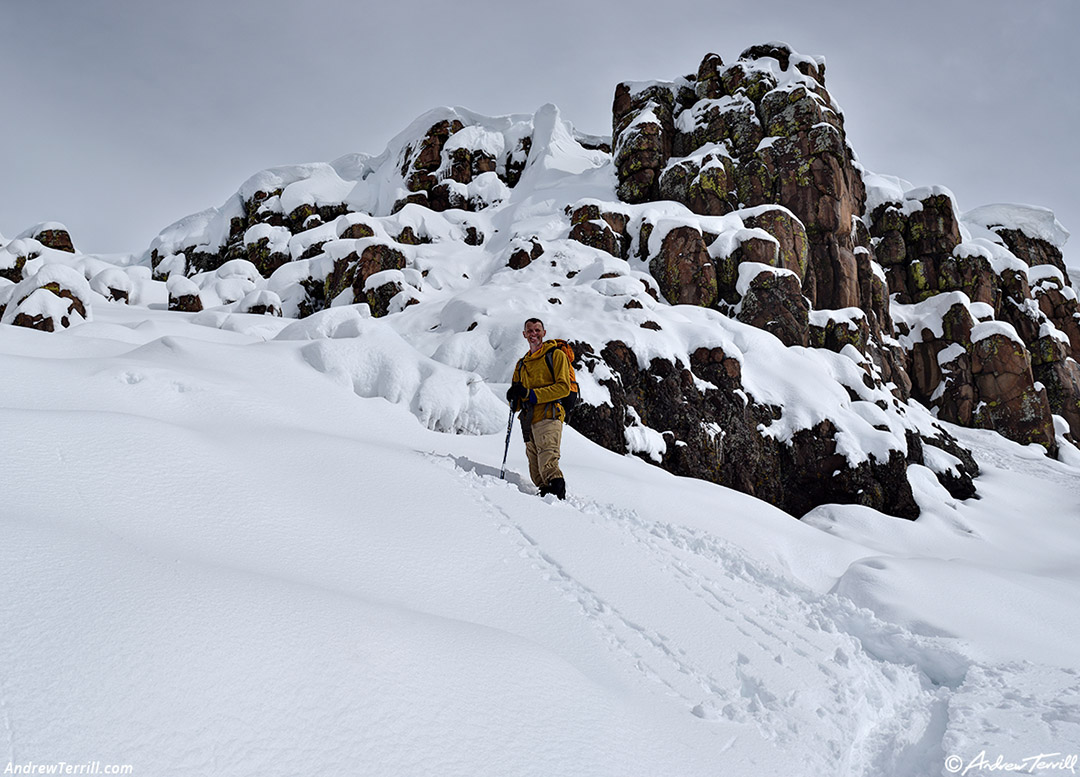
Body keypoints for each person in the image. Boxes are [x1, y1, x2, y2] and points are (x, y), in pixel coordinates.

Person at [505, 318, 572, 499]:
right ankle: (544, 506)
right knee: (536, 473)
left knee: (548, 464)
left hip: (549, 415)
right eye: (530, 331)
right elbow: (519, 397)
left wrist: (530, 394)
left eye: (537, 330)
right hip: (528, 420)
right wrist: (514, 397)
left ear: (544, 333)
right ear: (524, 334)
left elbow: (563, 388)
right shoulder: (521, 364)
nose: (533, 334)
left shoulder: (556, 355)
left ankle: (559, 503)